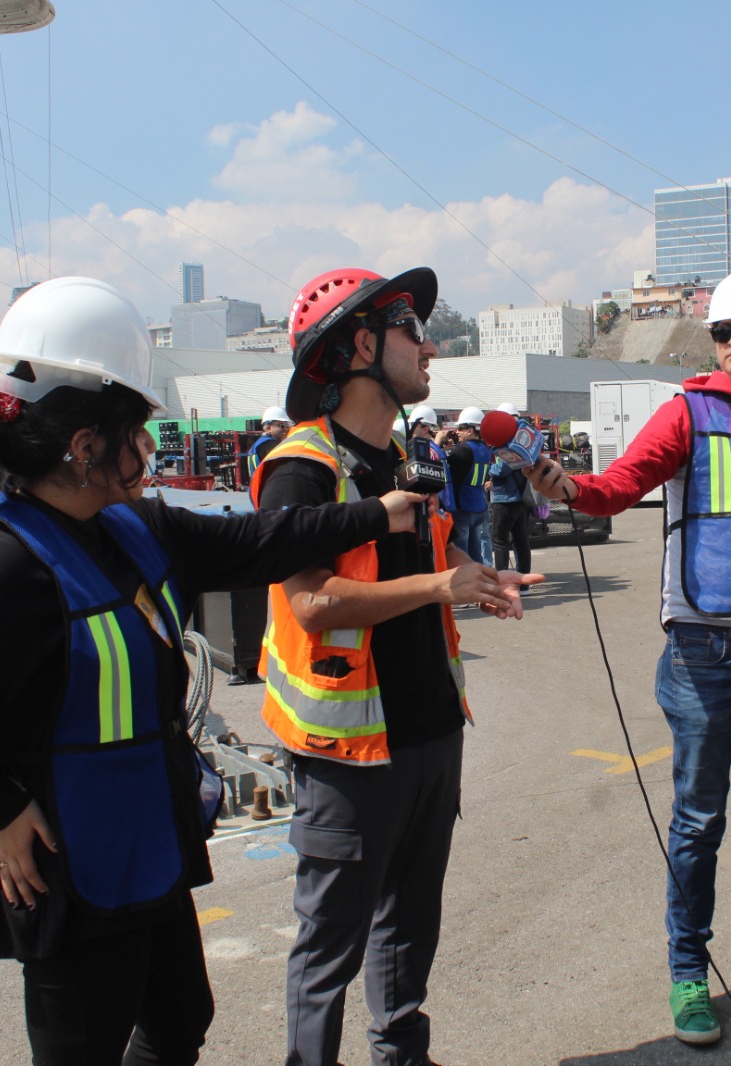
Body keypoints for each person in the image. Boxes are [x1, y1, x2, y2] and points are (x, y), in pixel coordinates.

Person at [0, 277, 426, 1066]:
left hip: (145, 843)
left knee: (181, 1019)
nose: (149, 450)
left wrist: (374, 512)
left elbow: (255, 543)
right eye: (137, 434)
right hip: (71, 868)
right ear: (84, 446)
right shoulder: (2, 568)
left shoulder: (127, 526)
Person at [526, 266, 731, 1047]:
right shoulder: (686, 413)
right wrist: (566, 488)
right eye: (722, 332)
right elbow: (619, 486)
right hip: (706, 649)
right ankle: (687, 971)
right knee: (699, 819)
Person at [249, 266, 541, 1066]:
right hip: (348, 754)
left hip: (429, 730)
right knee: (330, 944)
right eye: (412, 329)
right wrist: (442, 586)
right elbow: (312, 603)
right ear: (361, 347)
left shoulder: (409, 457)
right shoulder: (302, 468)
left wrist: (476, 577)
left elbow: (428, 564)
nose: (430, 347)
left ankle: (402, 1055)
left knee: (411, 926)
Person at [486, 405, 534, 583]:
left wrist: (488, 468)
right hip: (522, 496)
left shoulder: (510, 442)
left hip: (506, 498)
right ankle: (523, 582)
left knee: (499, 540)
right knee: (521, 539)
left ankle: (503, 583)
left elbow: (502, 469)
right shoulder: (524, 438)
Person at [442, 406, 494, 566]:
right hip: (479, 505)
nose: (457, 431)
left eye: (460, 428)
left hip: (463, 507)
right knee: (475, 552)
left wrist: (443, 448)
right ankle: (481, 577)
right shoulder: (485, 450)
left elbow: (445, 470)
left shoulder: (462, 450)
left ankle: (465, 580)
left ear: (470, 430)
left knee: (461, 552)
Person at [245, 404, 290, 482]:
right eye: (282, 426)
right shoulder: (269, 445)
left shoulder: (258, 445)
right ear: (269, 428)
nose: (286, 429)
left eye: (287, 426)